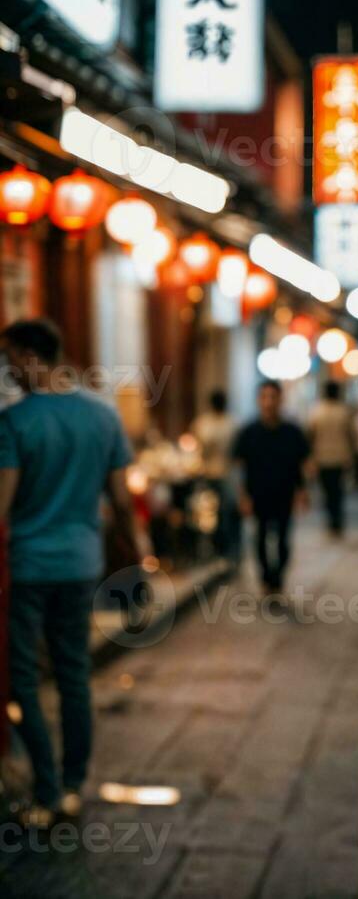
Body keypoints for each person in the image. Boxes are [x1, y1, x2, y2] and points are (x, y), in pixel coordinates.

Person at [0, 319, 146, 829]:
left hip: (29, 566)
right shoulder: (102, 417)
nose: (10, 370)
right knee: (72, 673)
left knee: (22, 677)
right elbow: (122, 500)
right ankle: (72, 786)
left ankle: (45, 787)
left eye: (12, 358)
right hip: (82, 563)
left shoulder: (16, 423)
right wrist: (138, 549)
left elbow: (4, 505)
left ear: (31, 355)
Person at [232, 380, 310, 598]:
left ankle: (277, 577)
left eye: (273, 397)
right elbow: (238, 467)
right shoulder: (248, 432)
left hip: (284, 494)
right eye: (264, 397)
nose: (269, 402)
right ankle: (266, 579)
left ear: (280, 400)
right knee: (260, 538)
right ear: (258, 400)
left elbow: (301, 465)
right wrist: (242, 496)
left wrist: (303, 492)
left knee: (284, 540)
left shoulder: (292, 431)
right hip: (257, 495)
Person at [191, 389, 239, 561]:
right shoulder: (204, 423)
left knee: (226, 512)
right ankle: (212, 549)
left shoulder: (231, 424)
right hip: (207, 473)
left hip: (225, 474)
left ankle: (226, 549)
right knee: (207, 513)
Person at [307, 380, 356, 537]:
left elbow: (310, 436)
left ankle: (331, 521)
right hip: (341, 457)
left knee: (327, 491)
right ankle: (337, 521)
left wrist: (311, 458)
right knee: (338, 492)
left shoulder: (316, 411)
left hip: (322, 458)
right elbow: (352, 436)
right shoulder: (344, 411)